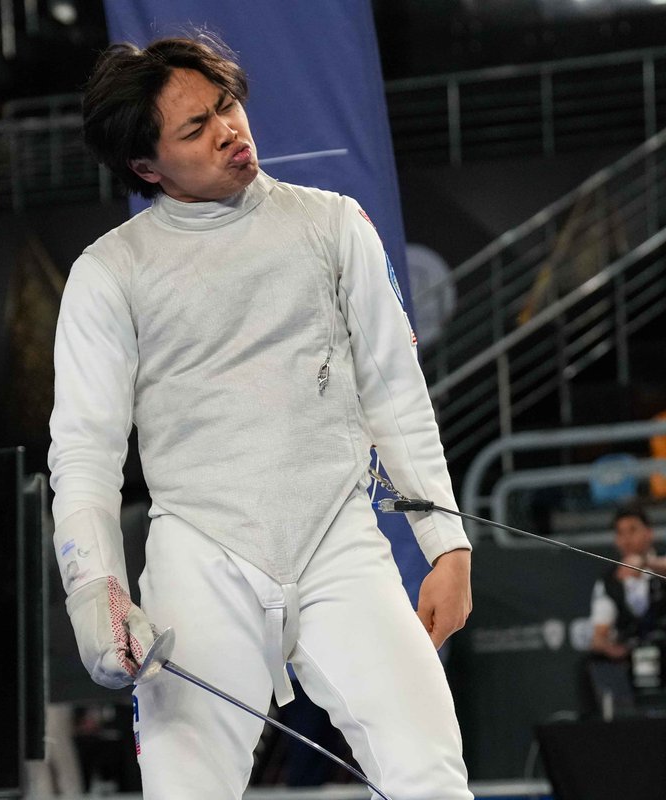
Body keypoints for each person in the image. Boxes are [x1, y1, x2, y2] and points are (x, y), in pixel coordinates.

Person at [47, 36, 474, 798]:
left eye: (227, 106)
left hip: (337, 537)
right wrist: (95, 588)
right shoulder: (110, 273)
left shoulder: (334, 224)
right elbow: (85, 453)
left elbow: (396, 396)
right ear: (147, 167)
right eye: (194, 128)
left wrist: (446, 543)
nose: (228, 130)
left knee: (430, 776)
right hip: (201, 554)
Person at [590, 503, 666, 661]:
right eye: (620, 533)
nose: (626, 539)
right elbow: (599, 635)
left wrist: (644, 563)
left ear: (649, 533)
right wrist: (608, 647)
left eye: (632, 530)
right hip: (632, 656)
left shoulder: (659, 564)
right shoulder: (609, 581)